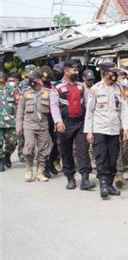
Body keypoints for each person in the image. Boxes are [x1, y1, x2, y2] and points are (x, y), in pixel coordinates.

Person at [84, 62, 128, 199]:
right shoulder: (95, 89)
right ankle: (103, 184)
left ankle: (110, 184)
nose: (116, 75)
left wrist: (126, 128)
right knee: (101, 156)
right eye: (113, 72)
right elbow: (90, 111)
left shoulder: (120, 89)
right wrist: (89, 131)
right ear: (105, 73)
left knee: (113, 158)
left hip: (114, 129)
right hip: (99, 128)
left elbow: (124, 110)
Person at [50, 60, 95, 191]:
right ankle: (70, 178)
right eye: (74, 70)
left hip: (80, 123)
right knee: (66, 151)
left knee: (83, 150)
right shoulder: (57, 87)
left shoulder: (81, 86)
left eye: (77, 70)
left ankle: (85, 179)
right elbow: (54, 106)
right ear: (66, 71)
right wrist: (58, 122)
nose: (77, 72)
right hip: (64, 123)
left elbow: (87, 104)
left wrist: (89, 124)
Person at [16, 70, 52, 182]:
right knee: (29, 147)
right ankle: (29, 169)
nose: (32, 81)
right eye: (30, 79)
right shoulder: (25, 93)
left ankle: (40, 172)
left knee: (43, 149)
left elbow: (55, 106)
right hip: (29, 125)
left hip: (43, 124)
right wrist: (18, 126)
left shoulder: (48, 92)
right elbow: (20, 110)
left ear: (40, 79)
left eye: (34, 79)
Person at [114, 68, 128, 187]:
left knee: (125, 147)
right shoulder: (113, 89)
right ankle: (118, 171)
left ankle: (125, 168)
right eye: (121, 78)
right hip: (114, 123)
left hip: (126, 123)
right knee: (116, 148)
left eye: (125, 77)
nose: (124, 80)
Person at [40, 66, 60, 178]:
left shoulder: (53, 88)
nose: (44, 79)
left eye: (46, 77)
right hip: (41, 118)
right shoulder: (37, 88)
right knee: (44, 144)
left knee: (58, 142)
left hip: (53, 117)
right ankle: (45, 167)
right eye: (43, 77)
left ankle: (51, 161)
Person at [0, 72, 18, 171]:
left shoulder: (12, 89)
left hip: (11, 121)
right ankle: (1, 160)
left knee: (12, 142)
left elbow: (19, 103)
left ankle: (7, 154)